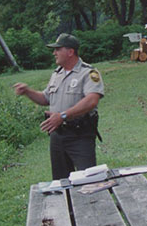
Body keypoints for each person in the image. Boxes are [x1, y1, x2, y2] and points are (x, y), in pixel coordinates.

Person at [13, 33, 104, 180]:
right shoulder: (57, 74)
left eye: (58, 49)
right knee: (61, 182)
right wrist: (28, 92)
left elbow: (92, 100)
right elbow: (45, 98)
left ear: (70, 52)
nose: (54, 53)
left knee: (89, 180)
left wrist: (62, 116)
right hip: (58, 136)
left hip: (80, 135)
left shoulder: (88, 73)